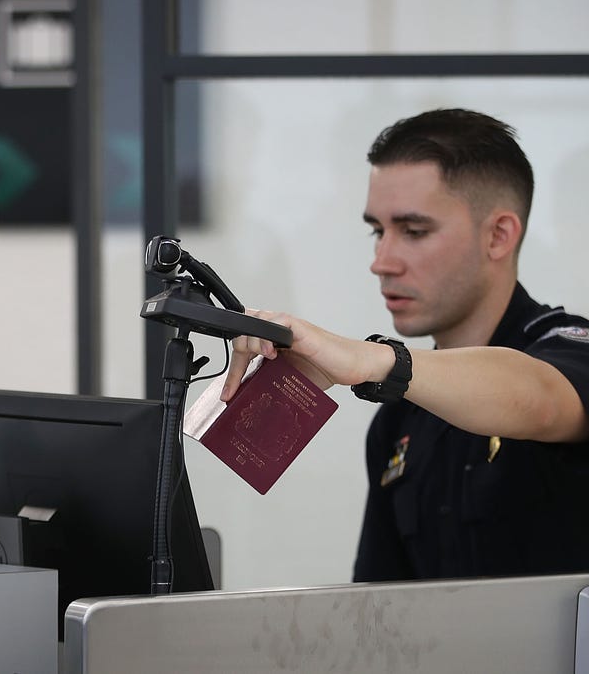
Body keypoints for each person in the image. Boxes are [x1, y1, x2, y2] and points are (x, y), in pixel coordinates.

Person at [222, 108, 589, 582]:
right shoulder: (397, 420)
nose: (382, 261)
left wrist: (374, 358)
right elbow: (379, 615)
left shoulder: (568, 348)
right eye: (378, 231)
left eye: (413, 231)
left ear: (499, 235)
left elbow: (538, 398)